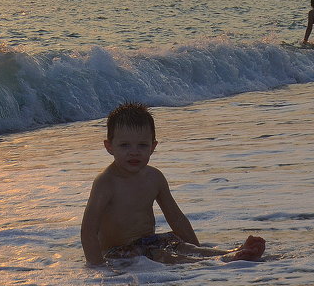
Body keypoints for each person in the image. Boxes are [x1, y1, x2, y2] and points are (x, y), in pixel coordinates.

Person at [80, 102, 265, 265]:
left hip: (149, 242)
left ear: (153, 146)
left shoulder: (154, 177)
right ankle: (222, 261)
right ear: (109, 147)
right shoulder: (106, 182)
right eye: (125, 145)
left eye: (142, 145)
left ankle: (226, 254)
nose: (134, 152)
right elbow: (88, 229)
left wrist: (195, 247)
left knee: (180, 246)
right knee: (166, 257)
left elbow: (176, 218)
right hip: (119, 252)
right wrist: (97, 266)